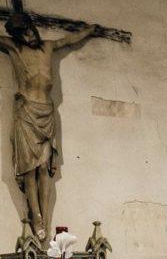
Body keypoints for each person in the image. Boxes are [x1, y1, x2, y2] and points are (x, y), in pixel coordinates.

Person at [0, 14, 101, 238]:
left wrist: (89, 30)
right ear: (17, 36)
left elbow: (69, 40)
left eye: (31, 30)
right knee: (29, 170)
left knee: (45, 168)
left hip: (46, 112)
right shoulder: (14, 49)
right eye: (24, 34)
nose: (30, 35)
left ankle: (45, 217)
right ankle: (36, 218)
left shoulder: (48, 47)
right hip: (26, 113)